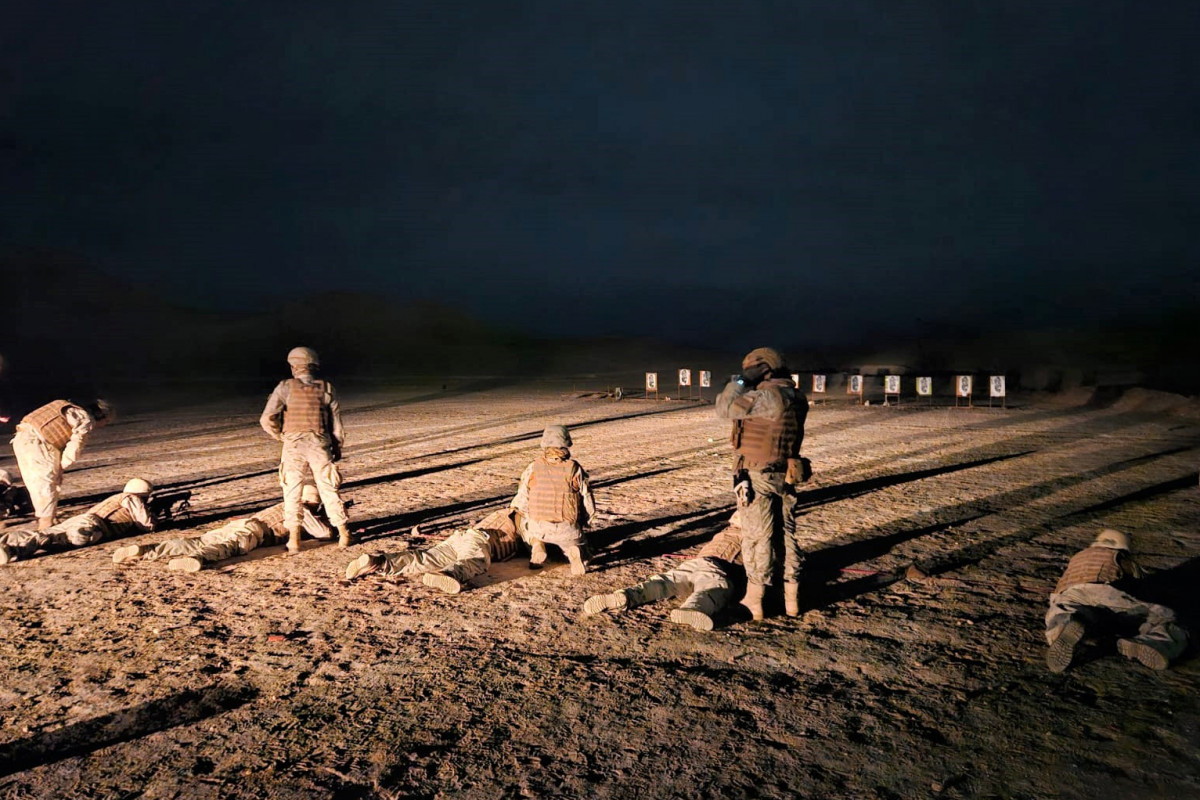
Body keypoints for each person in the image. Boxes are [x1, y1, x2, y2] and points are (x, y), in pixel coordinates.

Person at [714, 347, 808, 621]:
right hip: (785, 475)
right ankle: (792, 599)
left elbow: (725, 407)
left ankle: (754, 600)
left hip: (758, 475)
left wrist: (742, 380)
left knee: (758, 537)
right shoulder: (796, 396)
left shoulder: (770, 396)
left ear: (763, 369)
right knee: (786, 536)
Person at [1045, 529, 1189, 673]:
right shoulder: (1120, 558)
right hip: (1108, 594)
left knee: (1062, 613)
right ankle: (1155, 642)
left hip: (1072, 594)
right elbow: (1141, 588)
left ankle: (1063, 628)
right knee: (1166, 617)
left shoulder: (1076, 557)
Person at [112, 485, 333, 572]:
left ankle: (146, 551)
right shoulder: (301, 508)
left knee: (198, 540)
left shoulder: (287, 502)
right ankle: (197, 559)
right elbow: (324, 534)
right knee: (227, 548)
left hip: (240, 524)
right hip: (254, 531)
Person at [259, 346, 352, 552]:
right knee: (328, 488)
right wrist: (337, 446)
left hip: (293, 444)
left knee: (291, 490)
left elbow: (266, 418)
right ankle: (344, 534)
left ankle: (294, 539)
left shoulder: (285, 387)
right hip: (319, 443)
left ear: (294, 366)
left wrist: (280, 435)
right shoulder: (326, 387)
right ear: (314, 365)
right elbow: (337, 425)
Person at [583, 514, 744, 631]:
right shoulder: (754, 537)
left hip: (696, 562)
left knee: (663, 582)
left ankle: (627, 595)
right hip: (718, 568)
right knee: (714, 588)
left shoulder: (725, 533)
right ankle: (693, 608)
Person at [345, 507, 526, 593]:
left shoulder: (509, 514)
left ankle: (380, 562)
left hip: (459, 539)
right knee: (475, 561)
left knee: (425, 558)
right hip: (478, 540)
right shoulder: (522, 519)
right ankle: (451, 574)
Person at [10, 398, 112, 530]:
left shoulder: (63, 404)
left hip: (21, 439)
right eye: (107, 421)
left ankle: (48, 517)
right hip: (38, 443)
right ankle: (46, 523)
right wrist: (62, 465)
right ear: (101, 415)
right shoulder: (85, 418)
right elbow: (76, 444)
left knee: (35, 483)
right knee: (46, 483)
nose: (104, 425)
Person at [0, 477, 153, 564]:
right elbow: (146, 524)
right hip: (94, 525)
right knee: (54, 539)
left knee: (46, 532)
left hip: (83, 520)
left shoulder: (119, 497)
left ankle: (5, 540)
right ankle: (13, 550)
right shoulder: (132, 498)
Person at [510, 425, 596, 576]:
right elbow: (588, 500)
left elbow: (521, 501)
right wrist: (584, 522)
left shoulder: (533, 467)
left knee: (522, 520)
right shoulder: (574, 468)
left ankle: (537, 546)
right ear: (567, 443)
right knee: (582, 549)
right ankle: (574, 553)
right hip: (567, 529)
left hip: (538, 527)